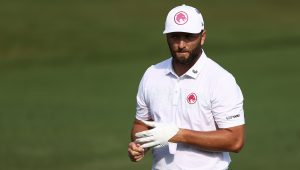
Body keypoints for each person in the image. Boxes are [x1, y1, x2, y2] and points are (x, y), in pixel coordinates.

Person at [128, 4, 245, 170]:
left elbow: (235, 140)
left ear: (202, 37)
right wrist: (139, 145)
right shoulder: (152, 74)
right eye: (174, 36)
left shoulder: (220, 79)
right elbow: (142, 123)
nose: (181, 44)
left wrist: (179, 135)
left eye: (189, 36)